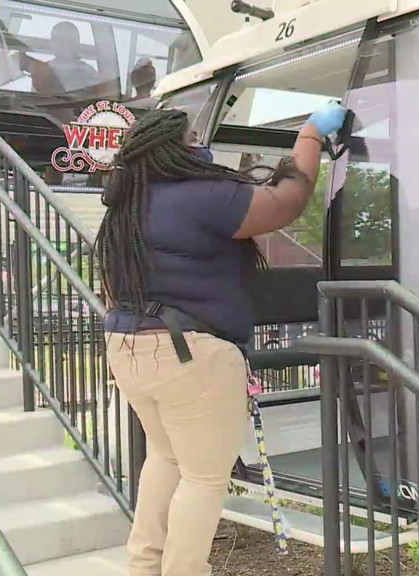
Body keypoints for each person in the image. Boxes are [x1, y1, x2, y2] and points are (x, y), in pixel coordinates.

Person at [97, 101, 347, 576]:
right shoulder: (200, 194)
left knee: (166, 459)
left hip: (130, 346)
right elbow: (286, 201)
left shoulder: (127, 206)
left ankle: (144, 566)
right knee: (204, 477)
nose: (200, 145)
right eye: (193, 138)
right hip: (192, 352)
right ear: (174, 149)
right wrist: (311, 135)